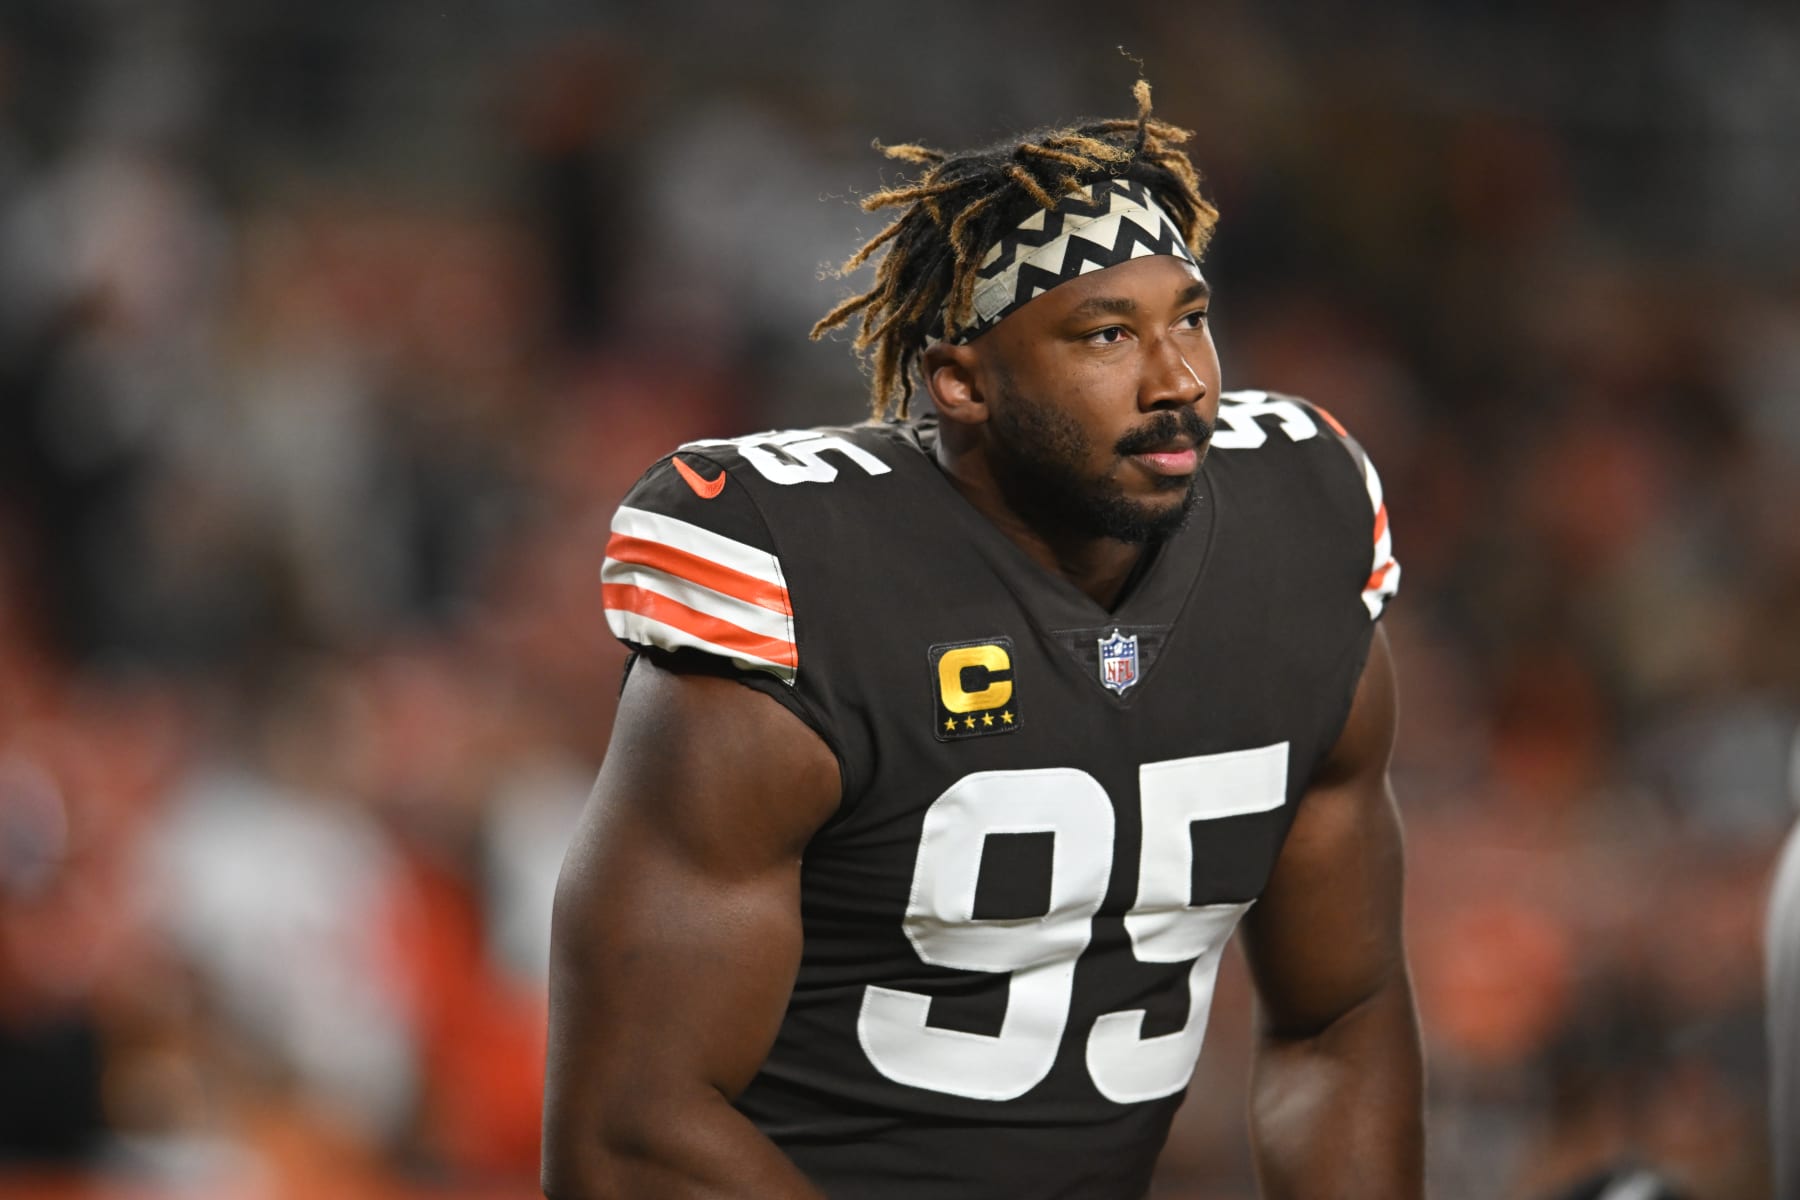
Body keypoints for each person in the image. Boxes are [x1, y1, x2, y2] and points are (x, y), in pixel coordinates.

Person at [542, 81, 1424, 1198]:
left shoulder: (1300, 532)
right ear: (961, 382)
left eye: (1190, 319)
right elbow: (630, 1136)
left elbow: (1339, 1018)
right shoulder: (805, 579)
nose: (1181, 383)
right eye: (1107, 335)